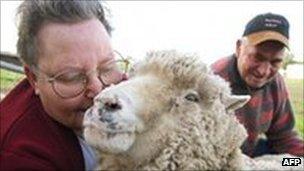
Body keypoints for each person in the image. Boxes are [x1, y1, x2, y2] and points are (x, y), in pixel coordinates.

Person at [0, 1, 127, 170]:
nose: (98, 90)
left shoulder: (131, 92)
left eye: (107, 67)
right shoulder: (21, 157)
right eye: (72, 77)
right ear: (33, 79)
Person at [211, 13, 303, 157]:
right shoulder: (212, 82)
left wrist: (299, 162)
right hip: (218, 159)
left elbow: (284, 138)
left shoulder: (275, 82)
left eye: (275, 62)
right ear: (239, 48)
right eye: (257, 57)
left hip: (251, 156)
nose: (264, 71)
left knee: (290, 162)